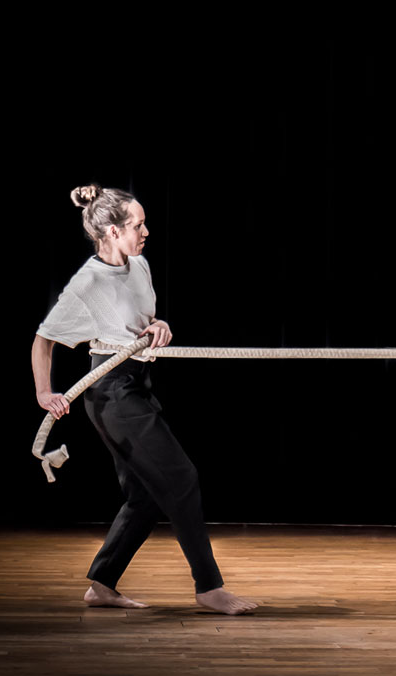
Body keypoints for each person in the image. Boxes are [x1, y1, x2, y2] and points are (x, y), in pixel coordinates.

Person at [31, 184, 258, 615]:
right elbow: (43, 341)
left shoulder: (139, 266)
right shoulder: (87, 282)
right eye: (137, 225)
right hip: (111, 393)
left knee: (145, 496)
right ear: (112, 232)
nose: (146, 231)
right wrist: (45, 392)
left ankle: (101, 584)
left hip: (136, 384)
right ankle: (209, 587)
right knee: (182, 478)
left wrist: (158, 326)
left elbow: (143, 322)